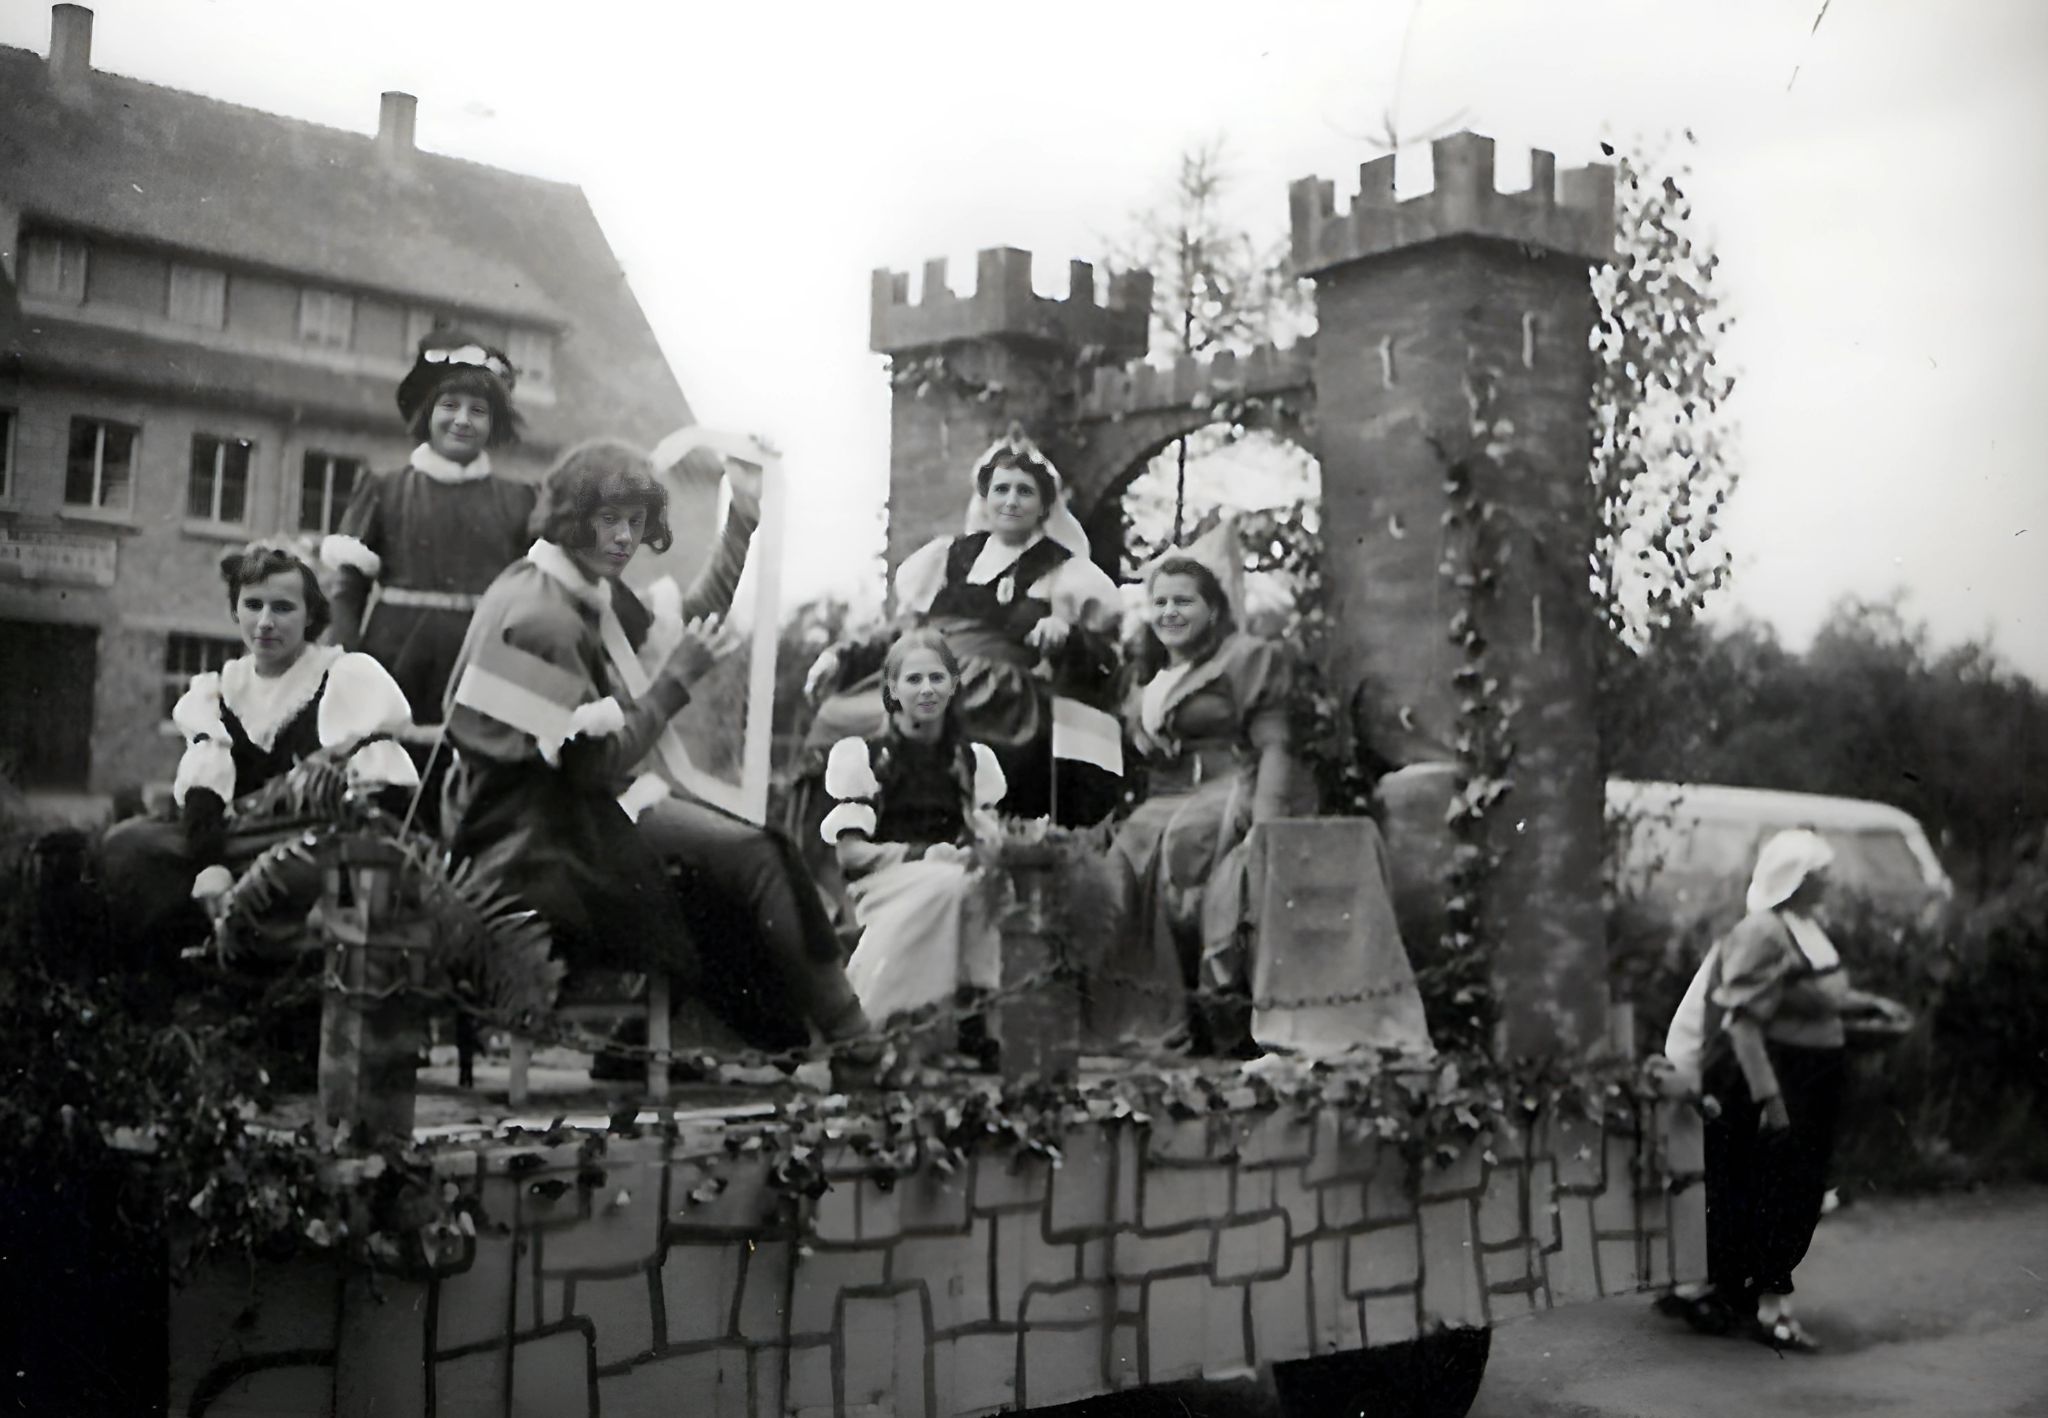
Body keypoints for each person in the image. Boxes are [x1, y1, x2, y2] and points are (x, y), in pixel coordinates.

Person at [443, 439, 874, 1070]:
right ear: (571, 517)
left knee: (738, 854)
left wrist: (742, 519)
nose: (624, 538)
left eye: (636, 521)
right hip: (534, 837)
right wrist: (675, 683)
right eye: (607, 519)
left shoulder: (570, 586)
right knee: (756, 856)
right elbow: (596, 764)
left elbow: (688, 623)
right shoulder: (541, 617)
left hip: (562, 814)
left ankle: (645, 1044)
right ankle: (855, 1044)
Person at [98, 541, 419, 967]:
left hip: (312, 843)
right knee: (129, 845)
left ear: (310, 615)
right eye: (253, 605)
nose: (265, 623)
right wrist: (210, 867)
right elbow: (205, 795)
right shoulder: (220, 689)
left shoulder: (344, 677)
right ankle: (180, 963)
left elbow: (385, 797)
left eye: (283, 608)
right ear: (236, 610)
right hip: (234, 839)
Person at [1656, 829, 1912, 1352]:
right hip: (1783, 1081)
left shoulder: (1805, 928)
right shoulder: (1765, 932)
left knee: (1793, 1190)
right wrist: (1771, 1101)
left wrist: (1867, 1005)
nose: (1831, 882)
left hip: (1813, 1080)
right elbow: (1744, 1024)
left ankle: (1739, 1294)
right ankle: (1768, 1308)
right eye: (1822, 874)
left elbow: (1814, 997)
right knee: (1782, 1194)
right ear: (1796, 880)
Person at [802, 425, 1122, 824]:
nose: (1011, 501)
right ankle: (849, 838)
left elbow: (1105, 657)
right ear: (985, 498)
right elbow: (906, 631)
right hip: (928, 669)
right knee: (839, 718)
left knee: (961, 734)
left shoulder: (1062, 570)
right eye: (1001, 489)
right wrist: (841, 656)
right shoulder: (947, 557)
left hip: (996, 691)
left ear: (1044, 506)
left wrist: (1065, 637)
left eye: (1025, 491)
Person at [1100, 537, 1302, 1054]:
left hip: (1230, 786)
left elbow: (1274, 745)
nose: (1170, 612)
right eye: (1160, 602)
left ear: (1213, 610)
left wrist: (1267, 823)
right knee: (1122, 858)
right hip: (1166, 797)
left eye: (1184, 601)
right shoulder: (1148, 675)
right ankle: (1149, 1018)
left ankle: (1209, 1015)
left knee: (1183, 841)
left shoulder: (1246, 658)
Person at [321, 329, 535, 738]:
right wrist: (351, 671)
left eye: (478, 410)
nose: (462, 420)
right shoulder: (385, 489)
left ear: (495, 422)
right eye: (449, 405)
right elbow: (347, 594)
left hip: (482, 664)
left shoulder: (520, 501)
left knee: (472, 761)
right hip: (395, 660)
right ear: (427, 412)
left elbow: (535, 600)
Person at [821, 629, 1007, 1064]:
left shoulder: (972, 761)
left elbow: (988, 841)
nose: (927, 690)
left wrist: (984, 852)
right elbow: (850, 855)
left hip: (956, 876)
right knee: (952, 884)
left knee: (979, 885)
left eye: (937, 678)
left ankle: (974, 1022)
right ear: (893, 689)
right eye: (914, 679)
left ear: (954, 685)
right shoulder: (867, 758)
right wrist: (922, 855)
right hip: (883, 883)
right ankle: (896, 1020)